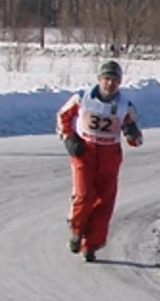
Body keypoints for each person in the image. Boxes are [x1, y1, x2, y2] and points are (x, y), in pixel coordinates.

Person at [56, 60, 143, 262]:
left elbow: (137, 141)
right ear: (99, 79)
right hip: (85, 151)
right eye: (106, 79)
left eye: (114, 80)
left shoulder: (125, 107)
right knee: (84, 195)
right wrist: (68, 138)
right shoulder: (82, 98)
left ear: (120, 83)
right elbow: (63, 117)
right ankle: (77, 232)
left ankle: (91, 244)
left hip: (109, 155)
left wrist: (132, 133)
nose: (110, 84)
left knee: (104, 201)